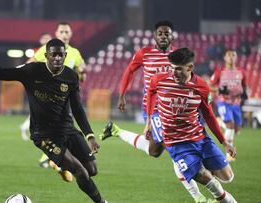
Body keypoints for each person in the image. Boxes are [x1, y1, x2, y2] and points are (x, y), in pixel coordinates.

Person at [0, 33, 107, 203]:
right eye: (53, 54)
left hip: (67, 129)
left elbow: (77, 108)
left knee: (92, 170)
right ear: (46, 55)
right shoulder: (31, 71)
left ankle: (60, 164)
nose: (57, 58)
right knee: (79, 171)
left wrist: (89, 135)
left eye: (60, 54)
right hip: (44, 134)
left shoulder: (71, 76)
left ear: (65, 55)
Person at [101, 21, 210, 203]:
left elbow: (189, 79)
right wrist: (122, 94)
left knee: (154, 151)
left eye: (167, 33)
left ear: (172, 36)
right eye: (160, 33)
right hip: (155, 109)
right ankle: (199, 198)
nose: (163, 36)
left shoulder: (178, 57)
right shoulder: (144, 53)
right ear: (154, 36)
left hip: (176, 109)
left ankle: (116, 131)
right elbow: (129, 71)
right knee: (174, 147)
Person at [144, 48, 237, 202]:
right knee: (206, 179)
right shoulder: (158, 80)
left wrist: (224, 142)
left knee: (228, 177)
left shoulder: (202, 87)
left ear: (190, 67)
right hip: (175, 142)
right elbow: (150, 93)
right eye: (172, 68)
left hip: (199, 138)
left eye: (179, 69)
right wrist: (148, 121)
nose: (174, 74)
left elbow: (209, 115)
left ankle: (192, 166)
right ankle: (224, 197)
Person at [20, 22, 86, 173]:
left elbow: (81, 75)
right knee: (55, 128)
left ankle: (50, 158)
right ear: (56, 33)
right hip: (48, 96)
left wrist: (81, 73)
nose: (64, 34)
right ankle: (50, 157)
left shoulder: (75, 53)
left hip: (65, 95)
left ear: (71, 34)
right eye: (61, 31)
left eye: (67, 31)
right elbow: (29, 65)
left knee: (62, 128)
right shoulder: (46, 49)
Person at [210, 50, 247, 162]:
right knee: (230, 126)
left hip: (236, 103)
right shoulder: (219, 72)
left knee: (237, 129)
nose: (231, 57)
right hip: (223, 102)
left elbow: (244, 86)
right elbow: (209, 85)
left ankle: (220, 122)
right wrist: (219, 89)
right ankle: (229, 154)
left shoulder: (241, 72)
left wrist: (244, 94)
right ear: (225, 58)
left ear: (236, 58)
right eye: (229, 55)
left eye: (233, 55)